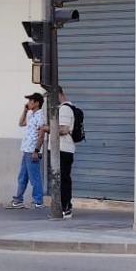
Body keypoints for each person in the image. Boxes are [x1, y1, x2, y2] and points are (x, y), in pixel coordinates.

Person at [10, 92, 45, 208]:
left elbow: (41, 135)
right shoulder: (30, 114)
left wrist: (36, 150)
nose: (28, 103)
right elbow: (21, 123)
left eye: (31, 101)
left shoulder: (41, 116)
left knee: (34, 177)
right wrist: (25, 111)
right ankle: (18, 200)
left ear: (37, 103)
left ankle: (38, 201)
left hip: (33, 150)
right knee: (22, 176)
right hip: (26, 149)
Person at [53, 86, 76, 218]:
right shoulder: (63, 108)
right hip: (61, 149)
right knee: (61, 179)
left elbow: (64, 130)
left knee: (63, 179)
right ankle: (63, 206)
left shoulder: (65, 109)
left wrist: (48, 128)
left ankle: (66, 207)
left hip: (64, 149)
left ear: (58, 94)